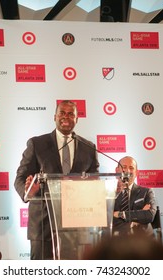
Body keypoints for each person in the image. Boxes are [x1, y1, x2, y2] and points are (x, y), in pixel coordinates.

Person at [14, 100, 99, 260]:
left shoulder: (88, 147)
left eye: (70, 114)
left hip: (76, 226)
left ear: (77, 118)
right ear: (55, 116)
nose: (66, 117)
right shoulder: (37, 144)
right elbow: (20, 177)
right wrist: (28, 192)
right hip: (43, 225)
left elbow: (94, 181)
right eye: (62, 113)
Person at [112, 156, 157, 237]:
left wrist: (120, 214)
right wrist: (135, 221)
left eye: (131, 168)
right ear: (117, 170)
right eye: (124, 167)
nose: (127, 171)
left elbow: (149, 215)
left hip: (143, 241)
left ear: (137, 173)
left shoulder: (146, 192)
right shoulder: (108, 193)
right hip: (116, 240)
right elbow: (108, 219)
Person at [84, 232, 163, 260]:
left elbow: (147, 215)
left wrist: (120, 214)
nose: (122, 184)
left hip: (140, 230)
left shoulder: (146, 192)